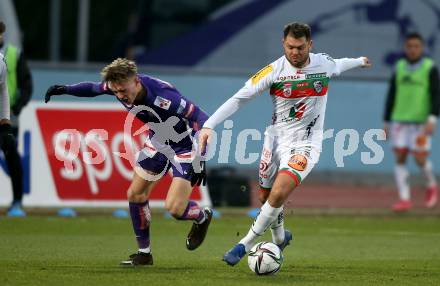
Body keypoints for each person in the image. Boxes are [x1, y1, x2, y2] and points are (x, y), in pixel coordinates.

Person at [198, 22, 371, 266]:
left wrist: (360, 60)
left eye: (300, 47)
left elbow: (340, 64)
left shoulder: (323, 63)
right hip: (275, 140)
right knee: (266, 196)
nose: (295, 52)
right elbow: (239, 99)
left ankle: (244, 244)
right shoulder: (273, 71)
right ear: (283, 44)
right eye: (290, 47)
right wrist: (209, 125)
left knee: (279, 192)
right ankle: (280, 237)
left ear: (310, 45)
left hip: (307, 144)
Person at [45, 58, 212, 266]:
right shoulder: (119, 86)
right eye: (116, 92)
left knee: (175, 209)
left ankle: (202, 217)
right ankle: (144, 254)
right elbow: (93, 88)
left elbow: (202, 119)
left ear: (136, 81)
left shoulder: (164, 96)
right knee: (135, 194)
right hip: (158, 142)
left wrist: (201, 158)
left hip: (184, 147)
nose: (120, 96)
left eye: (123, 91)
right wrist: (65, 89)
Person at [384, 32, 439, 212]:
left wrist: (432, 118)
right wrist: (386, 120)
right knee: (400, 157)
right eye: (409, 46)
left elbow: (436, 95)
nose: (413, 49)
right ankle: (404, 198)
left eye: (416, 46)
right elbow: (391, 94)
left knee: (420, 158)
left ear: (421, 48)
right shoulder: (399, 67)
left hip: (420, 123)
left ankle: (431, 184)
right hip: (400, 121)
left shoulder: (429, 68)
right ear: (405, 47)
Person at [0, 21, 32, 217]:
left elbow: (24, 84)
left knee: (12, 156)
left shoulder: (11, 55)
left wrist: (14, 110)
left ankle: (17, 201)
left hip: (7, 117)